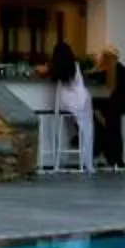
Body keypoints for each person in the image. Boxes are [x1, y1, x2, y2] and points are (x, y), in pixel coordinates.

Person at [48, 40, 96, 174]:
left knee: (82, 128)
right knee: (87, 130)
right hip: (81, 101)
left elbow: (51, 77)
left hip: (65, 103)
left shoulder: (56, 68)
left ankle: (65, 156)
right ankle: (87, 161)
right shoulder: (74, 66)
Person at [94, 47, 125, 170]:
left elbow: (97, 78)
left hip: (116, 104)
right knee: (108, 123)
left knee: (107, 122)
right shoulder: (120, 68)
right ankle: (112, 157)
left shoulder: (112, 70)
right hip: (122, 103)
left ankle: (109, 156)